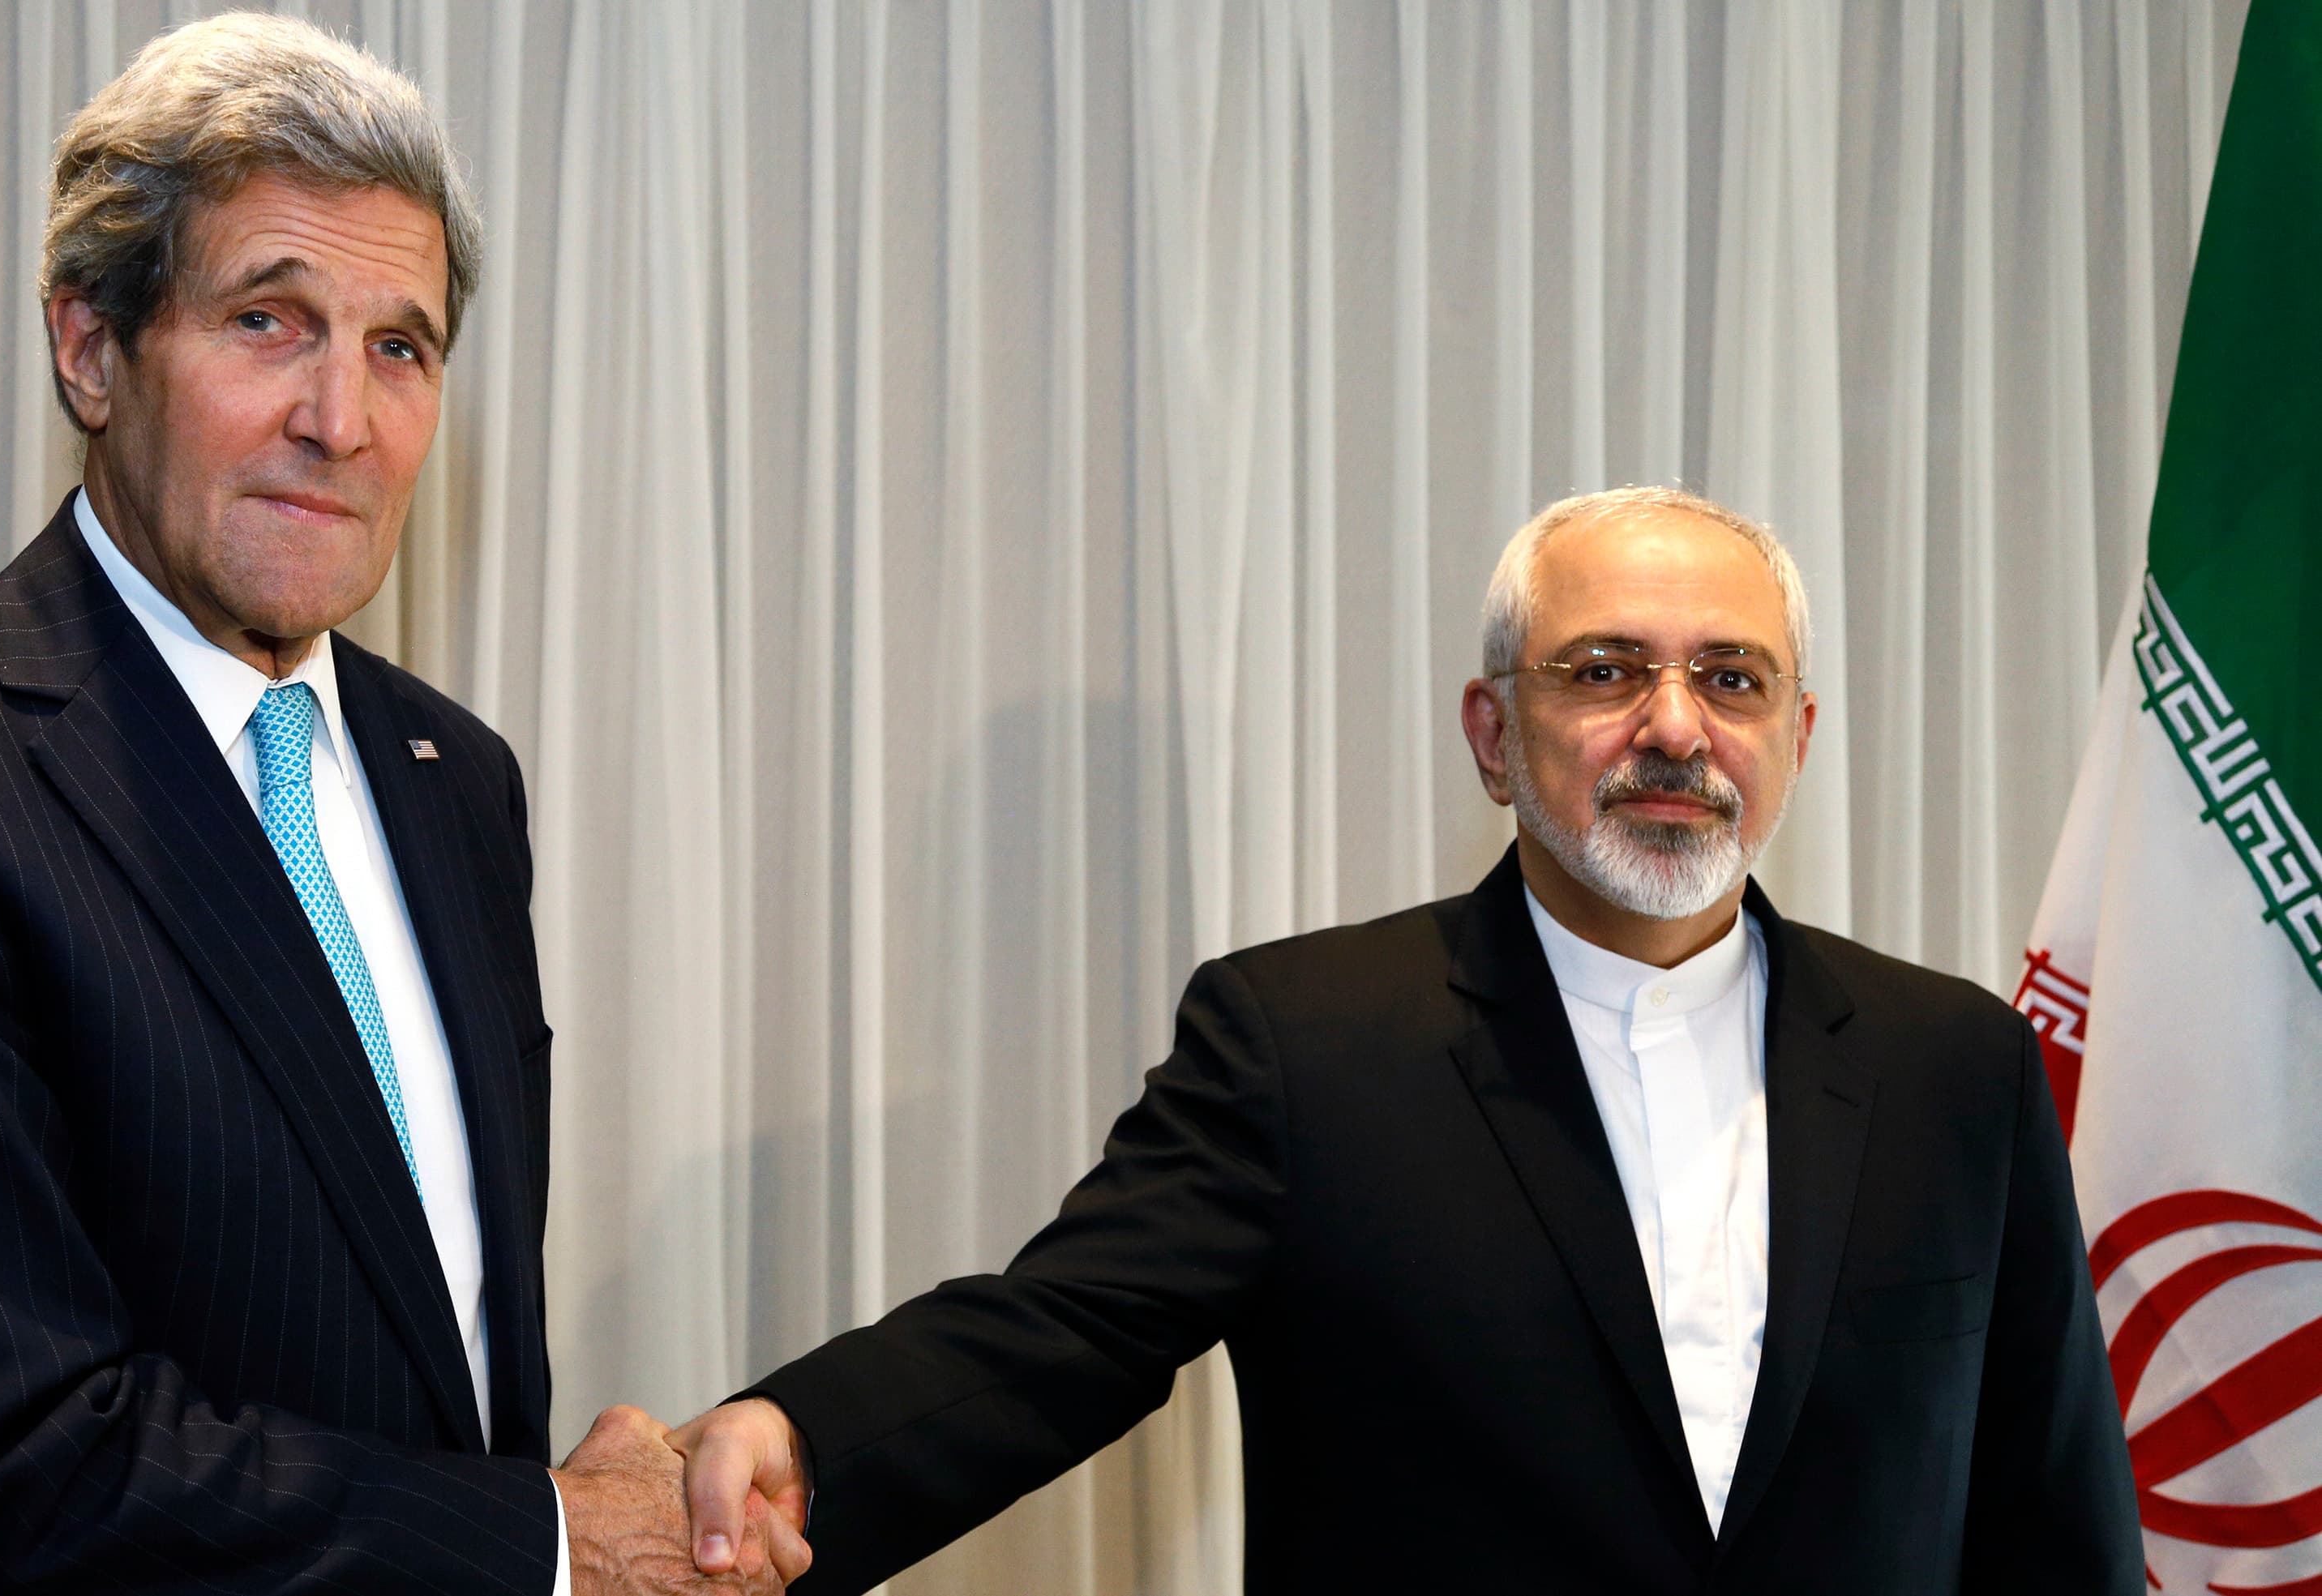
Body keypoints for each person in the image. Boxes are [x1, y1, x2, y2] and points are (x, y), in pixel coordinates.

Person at [0, 16, 792, 1594]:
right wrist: (552, 1540)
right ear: (91, 349)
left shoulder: (454, 777)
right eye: (269, 321)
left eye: (398, 346)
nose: (339, 419)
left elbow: (421, 1331)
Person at [671, 486, 2141, 1594]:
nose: (1676, 726)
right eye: (1607, 668)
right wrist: (800, 1437)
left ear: (1799, 738)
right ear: (1495, 734)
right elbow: (1064, 1334)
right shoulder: (1306, 1045)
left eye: (1732, 678)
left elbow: (2052, 1509)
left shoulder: (1958, 1066)